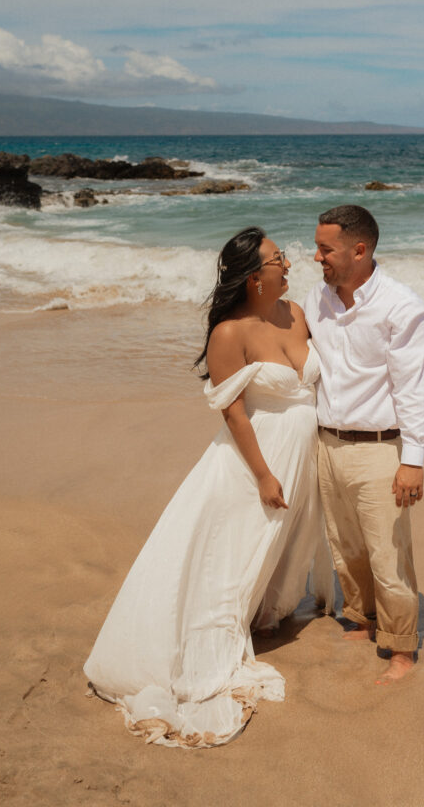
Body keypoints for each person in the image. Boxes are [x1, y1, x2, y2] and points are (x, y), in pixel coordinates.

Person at [84, 226, 333, 748]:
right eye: (277, 258)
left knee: (273, 544)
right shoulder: (229, 332)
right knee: (232, 549)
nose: (288, 263)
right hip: (253, 460)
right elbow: (234, 414)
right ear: (252, 276)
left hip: (300, 452)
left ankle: (266, 613)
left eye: (285, 255)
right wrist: (264, 473)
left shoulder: (296, 314)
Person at [304, 205, 424, 683]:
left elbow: (414, 389)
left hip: (380, 448)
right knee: (345, 543)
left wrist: (413, 461)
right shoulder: (317, 297)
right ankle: (361, 617)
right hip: (326, 442)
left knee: (388, 554)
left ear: (359, 250)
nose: (316, 257)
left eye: (325, 248)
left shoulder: (402, 308)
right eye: (317, 247)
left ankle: (402, 647)